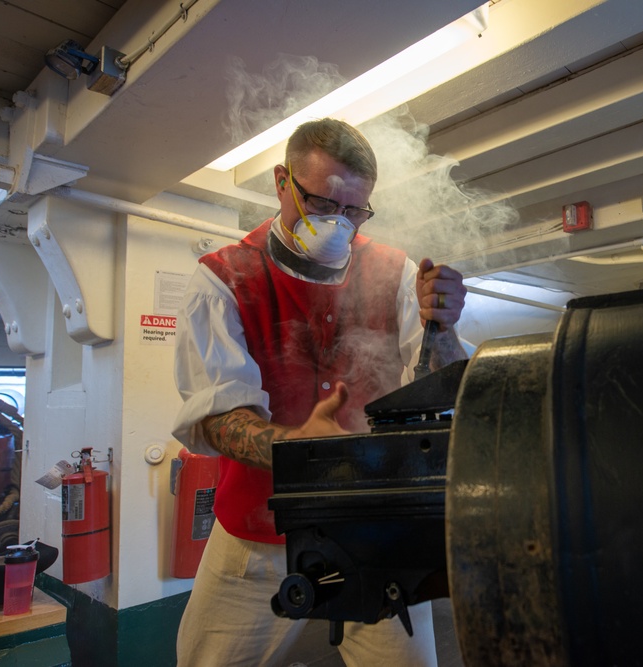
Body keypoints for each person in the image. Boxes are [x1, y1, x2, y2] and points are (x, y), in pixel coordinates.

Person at [171, 118, 468, 667]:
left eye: (356, 210)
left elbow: (438, 388)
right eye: (325, 204)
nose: (341, 223)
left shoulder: (396, 274)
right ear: (283, 182)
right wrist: (295, 447)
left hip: (376, 533)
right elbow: (217, 417)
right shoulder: (222, 280)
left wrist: (443, 326)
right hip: (257, 538)